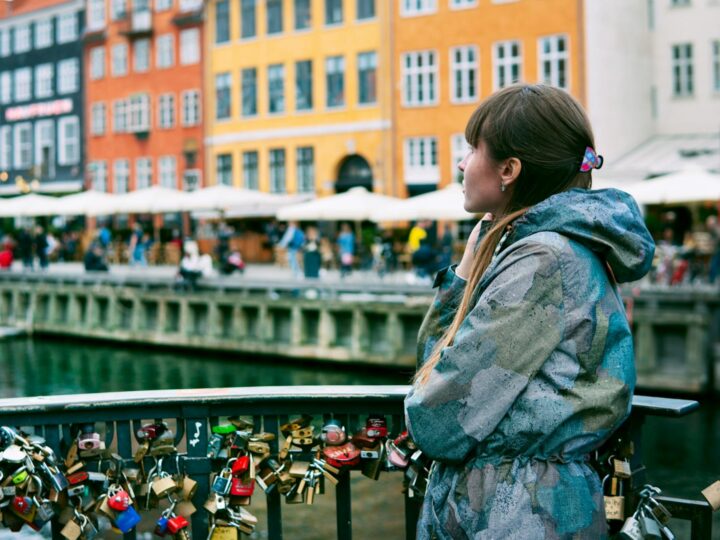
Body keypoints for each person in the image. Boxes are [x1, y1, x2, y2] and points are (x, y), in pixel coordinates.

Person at [404, 85, 655, 539]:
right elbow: (435, 367)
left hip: (517, 514)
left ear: (509, 169)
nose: (461, 164)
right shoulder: (546, 249)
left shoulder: (542, 260)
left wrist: (466, 276)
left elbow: (437, 419)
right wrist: (466, 269)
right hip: (526, 508)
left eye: (471, 149)